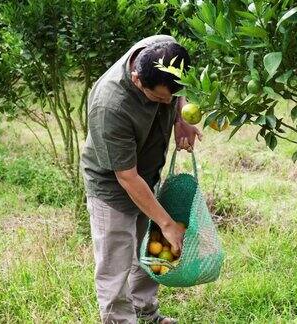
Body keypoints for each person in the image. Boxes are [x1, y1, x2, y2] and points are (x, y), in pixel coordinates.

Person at [80, 35, 201, 324]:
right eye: (159, 98)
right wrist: (167, 223)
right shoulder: (111, 105)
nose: (166, 102)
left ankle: (146, 312)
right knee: (116, 262)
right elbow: (126, 177)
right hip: (114, 184)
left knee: (150, 250)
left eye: (171, 96)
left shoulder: (166, 51)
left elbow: (175, 91)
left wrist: (180, 115)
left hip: (148, 172)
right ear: (137, 80)